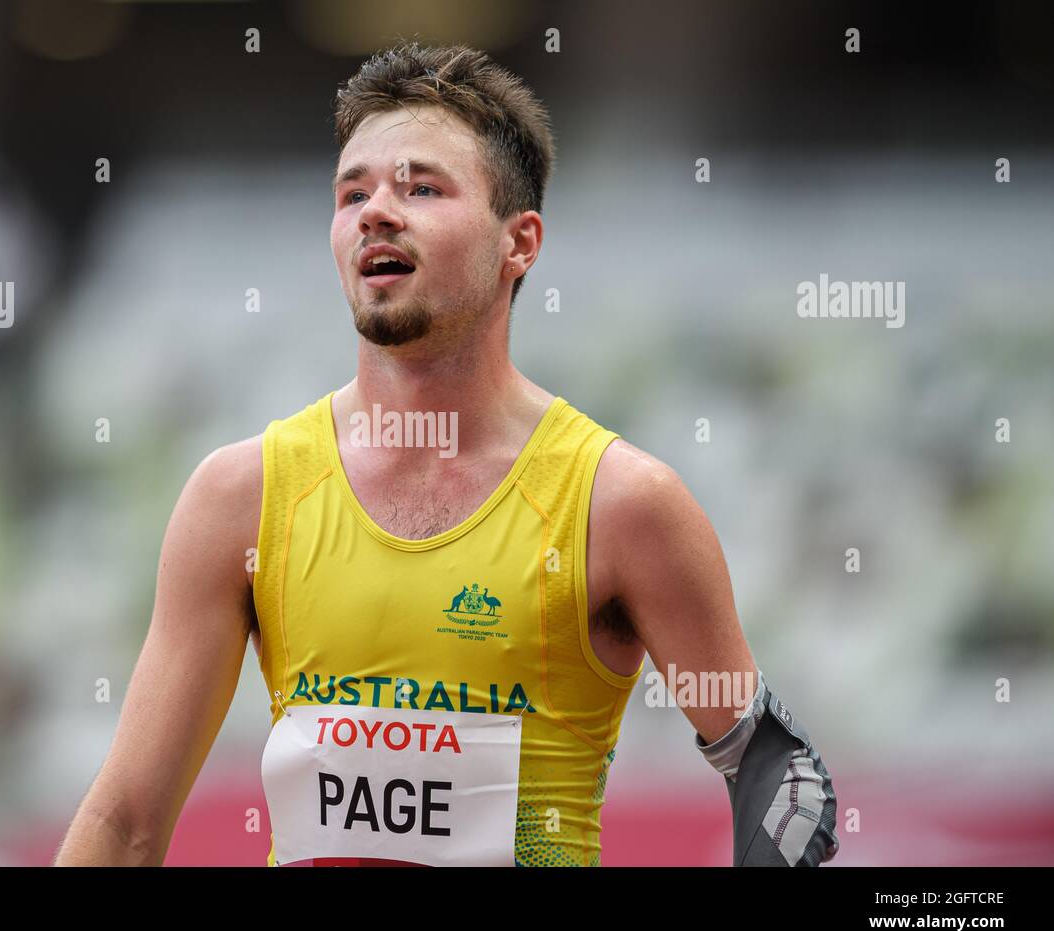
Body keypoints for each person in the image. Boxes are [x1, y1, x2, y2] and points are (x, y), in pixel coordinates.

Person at [54, 41, 839, 868]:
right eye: (352, 192)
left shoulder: (622, 504)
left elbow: (780, 771)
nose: (375, 213)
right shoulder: (240, 497)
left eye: (420, 187)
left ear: (519, 244)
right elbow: (124, 823)